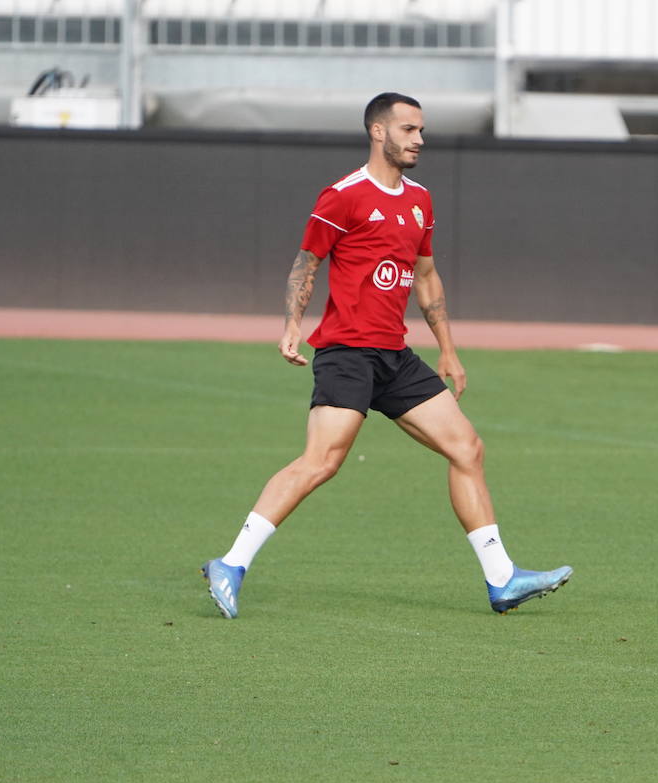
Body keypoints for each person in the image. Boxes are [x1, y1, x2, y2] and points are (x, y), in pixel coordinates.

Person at [201, 92, 571, 619]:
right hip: (347, 354)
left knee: (467, 448)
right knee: (321, 463)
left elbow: (426, 276)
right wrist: (292, 325)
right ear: (378, 132)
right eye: (408, 129)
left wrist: (448, 350)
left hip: (395, 356)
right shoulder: (343, 196)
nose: (419, 139)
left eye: (421, 130)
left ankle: (502, 579)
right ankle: (231, 564)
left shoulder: (420, 200)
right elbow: (306, 263)